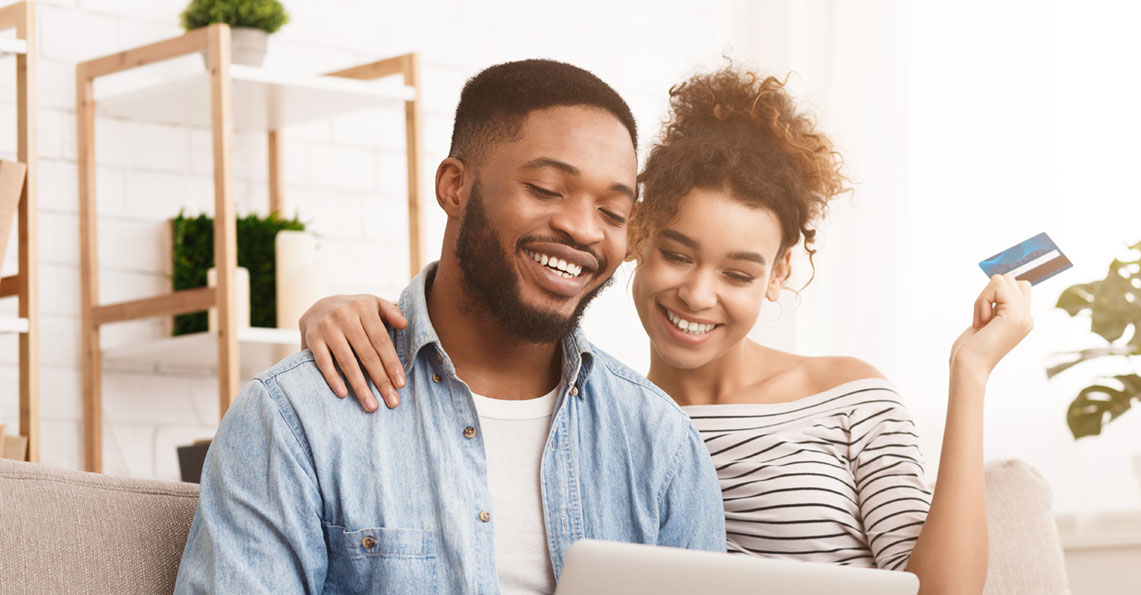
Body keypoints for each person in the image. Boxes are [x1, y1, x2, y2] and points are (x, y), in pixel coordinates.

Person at [302, 66, 1033, 595]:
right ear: (639, 236)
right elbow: (480, 297)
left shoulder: (846, 395)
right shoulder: (609, 425)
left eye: (739, 274)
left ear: (777, 276)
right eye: (678, 254)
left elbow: (942, 591)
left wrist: (970, 373)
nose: (699, 294)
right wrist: (341, 308)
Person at [174, 59, 726, 595]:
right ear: (454, 187)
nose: (583, 229)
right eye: (547, 189)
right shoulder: (297, 418)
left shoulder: (662, 443)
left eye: (613, 212)